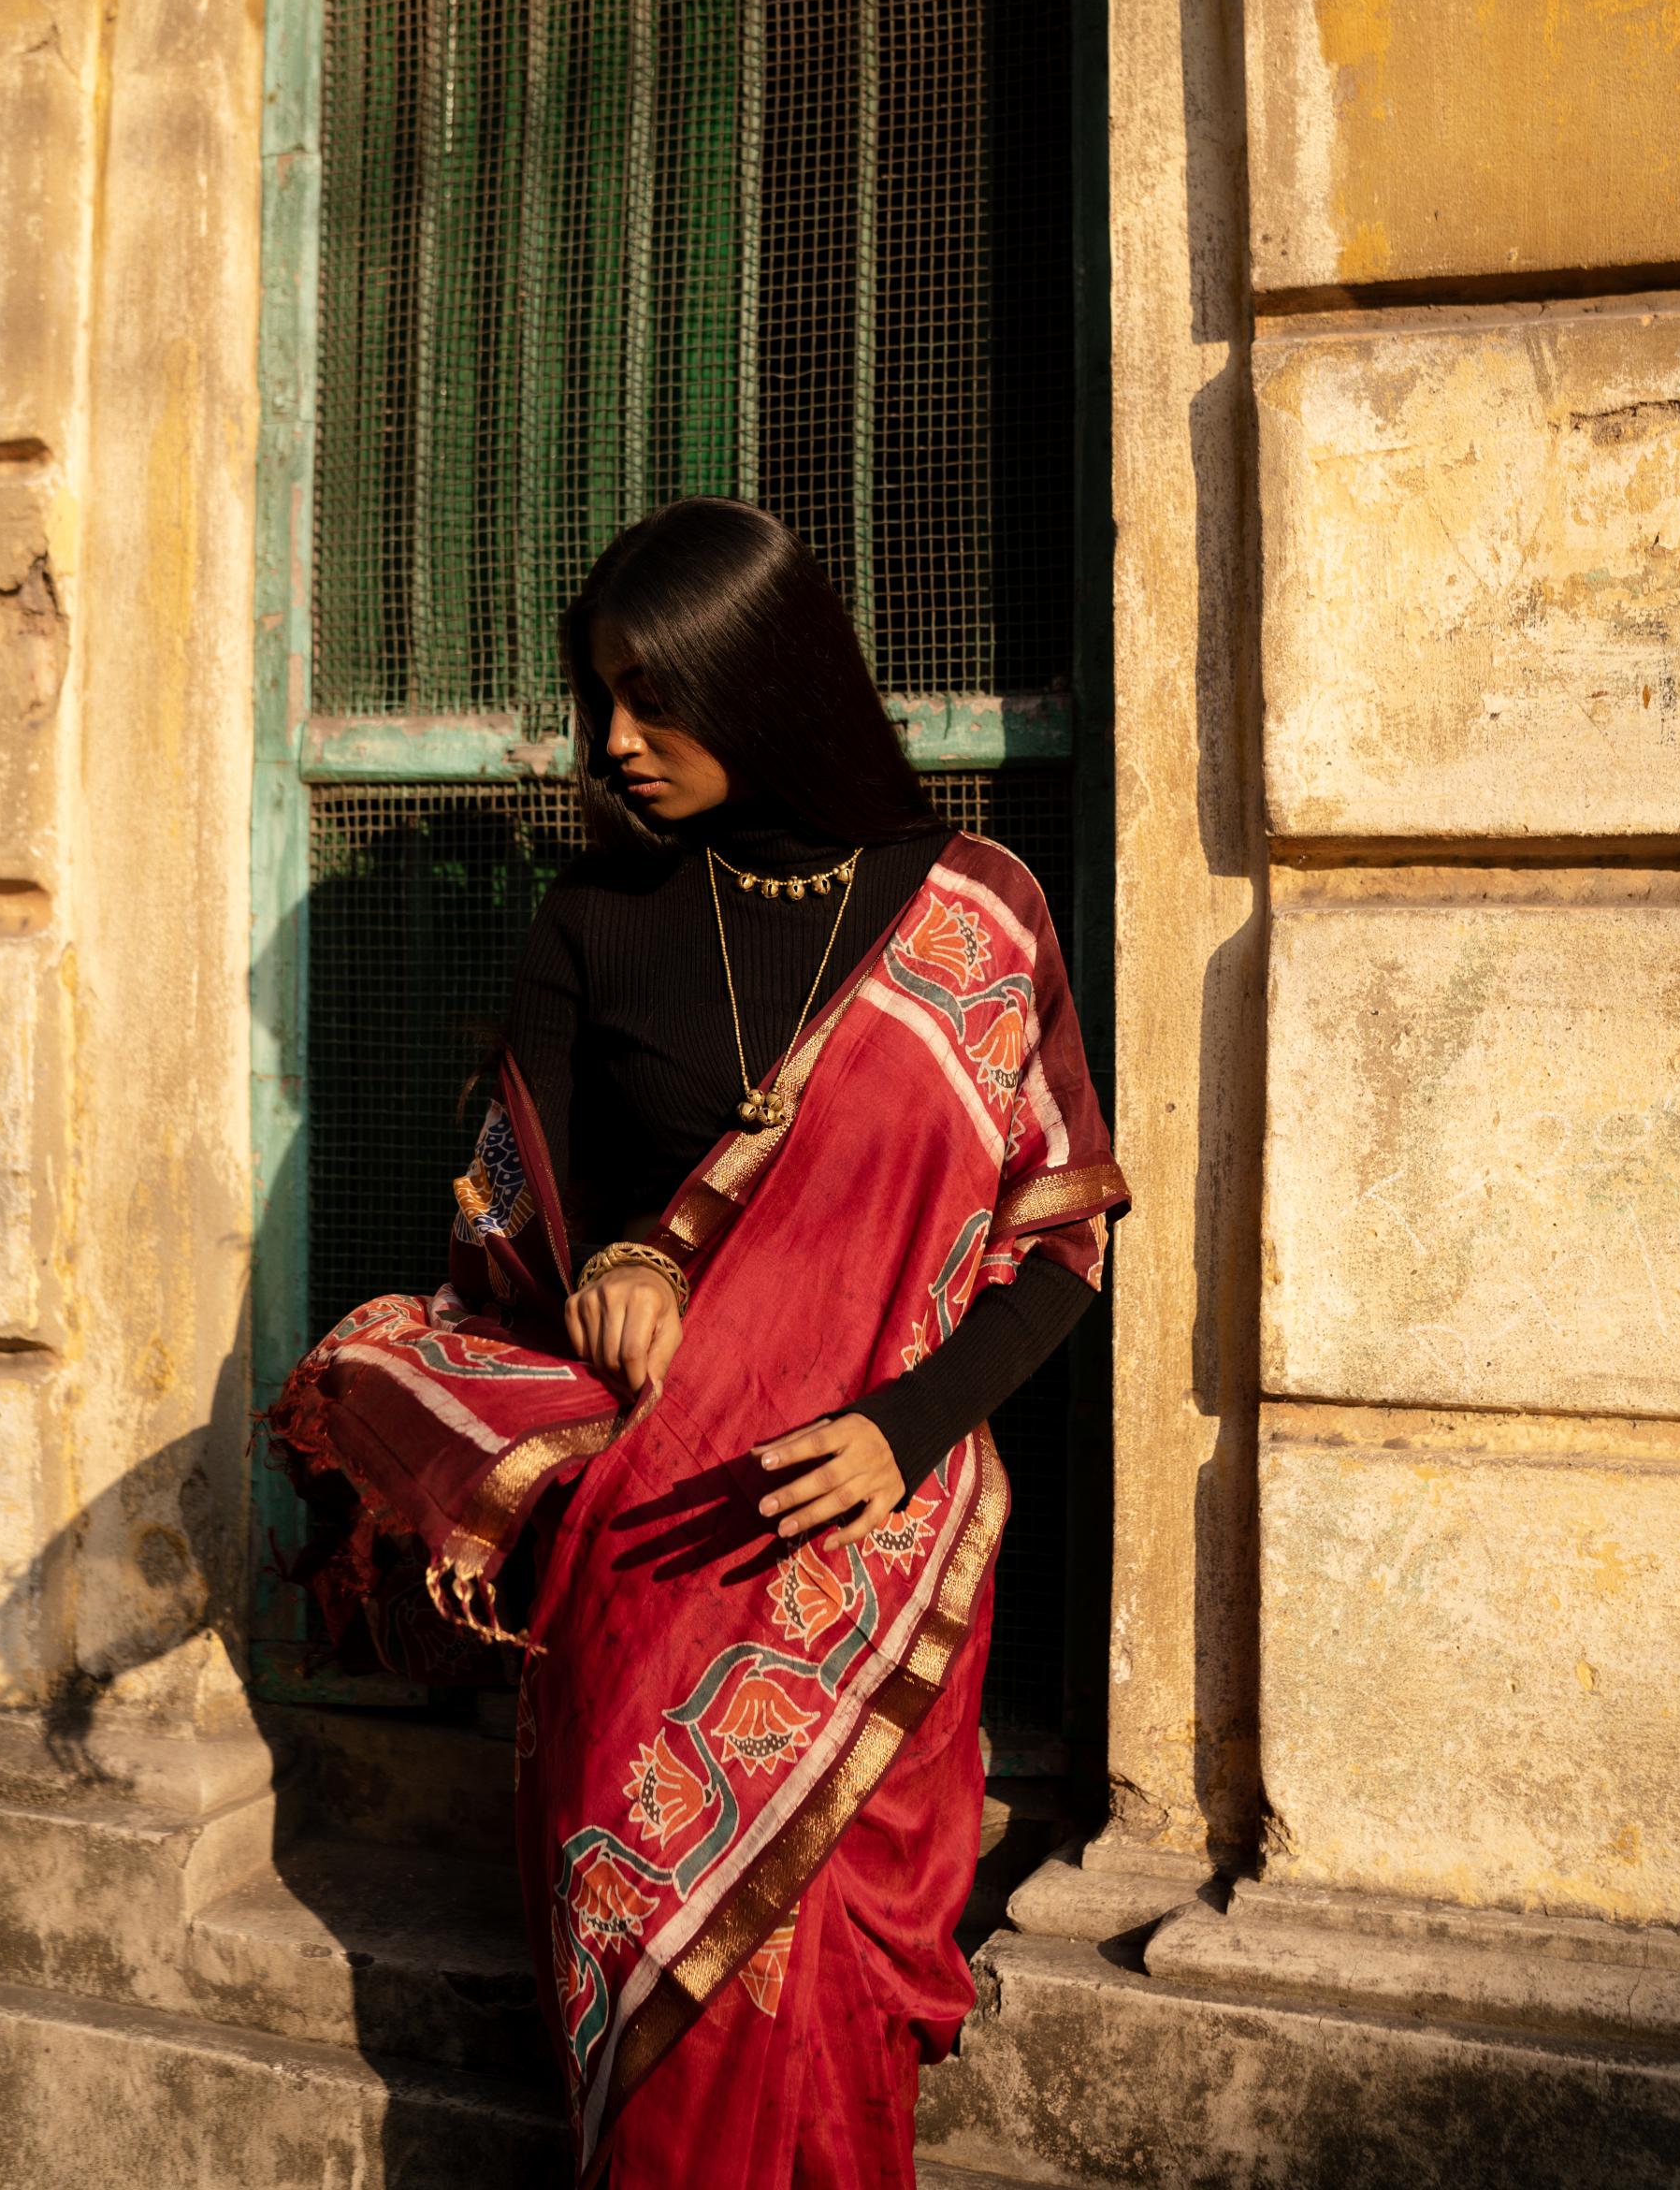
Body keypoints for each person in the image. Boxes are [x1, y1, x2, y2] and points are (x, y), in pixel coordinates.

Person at [269, 500, 1126, 2187]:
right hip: (650, 1557)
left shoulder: (978, 917)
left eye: (654, 698)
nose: (616, 743)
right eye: (599, 699)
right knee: (658, 2001)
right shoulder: (594, 921)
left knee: (821, 2019)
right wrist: (620, 1265)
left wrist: (903, 1430)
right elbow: (506, 1246)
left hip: (874, 1529)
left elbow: (1062, 1246)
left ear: (769, 679)